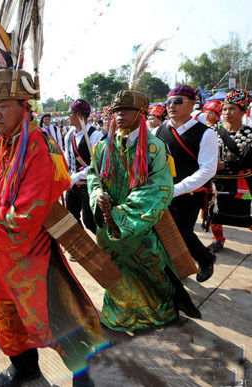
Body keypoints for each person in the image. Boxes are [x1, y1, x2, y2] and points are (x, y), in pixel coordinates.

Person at [0, 8, 103, 385]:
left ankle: (83, 377)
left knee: (56, 317)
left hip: (32, 255)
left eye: (3, 106)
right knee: (6, 315)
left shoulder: (40, 148)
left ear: (24, 106)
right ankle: (25, 367)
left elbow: (28, 214)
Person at [88, 89, 200, 331]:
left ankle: (157, 312)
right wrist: (99, 198)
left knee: (151, 271)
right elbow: (93, 177)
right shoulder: (102, 146)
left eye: (127, 110)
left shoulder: (154, 147)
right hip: (109, 227)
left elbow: (158, 187)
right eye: (117, 110)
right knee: (116, 273)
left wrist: (118, 215)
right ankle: (119, 314)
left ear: (141, 114)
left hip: (138, 225)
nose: (119, 115)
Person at [156, 86, 218, 283]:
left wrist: (178, 189)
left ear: (192, 104)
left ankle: (206, 258)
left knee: (181, 233)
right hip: (162, 191)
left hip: (190, 193)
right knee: (161, 232)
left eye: (178, 101)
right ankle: (174, 267)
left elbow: (207, 170)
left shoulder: (205, 133)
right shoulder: (160, 129)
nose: (172, 105)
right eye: (169, 102)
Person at [208, 90, 252, 251]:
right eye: (225, 109)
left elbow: (248, 160)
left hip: (240, 181)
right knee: (214, 213)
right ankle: (218, 239)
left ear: (242, 111)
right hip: (216, 180)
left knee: (243, 216)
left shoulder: (249, 134)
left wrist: (225, 165)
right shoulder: (213, 132)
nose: (227, 112)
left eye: (232, 109)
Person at [64, 99, 104, 234]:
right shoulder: (69, 134)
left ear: (80, 115)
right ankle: (86, 250)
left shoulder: (96, 136)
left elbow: (97, 165)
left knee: (90, 221)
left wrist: (76, 177)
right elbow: (67, 158)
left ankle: (104, 248)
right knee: (71, 218)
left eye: (69, 113)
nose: (67, 116)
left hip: (90, 185)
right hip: (72, 184)